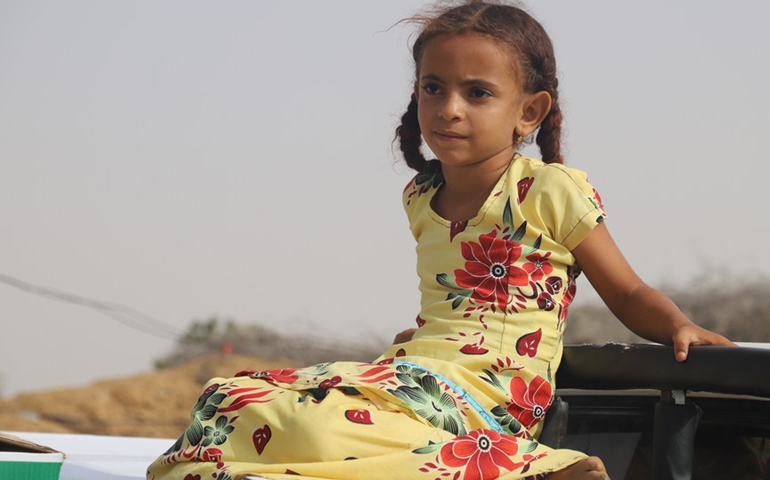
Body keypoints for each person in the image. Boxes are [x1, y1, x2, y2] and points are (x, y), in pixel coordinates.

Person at [147, 2, 734, 479]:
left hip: (491, 390)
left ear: (528, 112)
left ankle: (544, 467)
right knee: (226, 399)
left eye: (477, 93)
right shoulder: (421, 197)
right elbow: (453, 301)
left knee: (320, 426)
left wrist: (675, 325)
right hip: (422, 374)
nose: (448, 109)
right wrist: (427, 336)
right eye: (433, 88)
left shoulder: (550, 189)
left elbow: (626, 290)